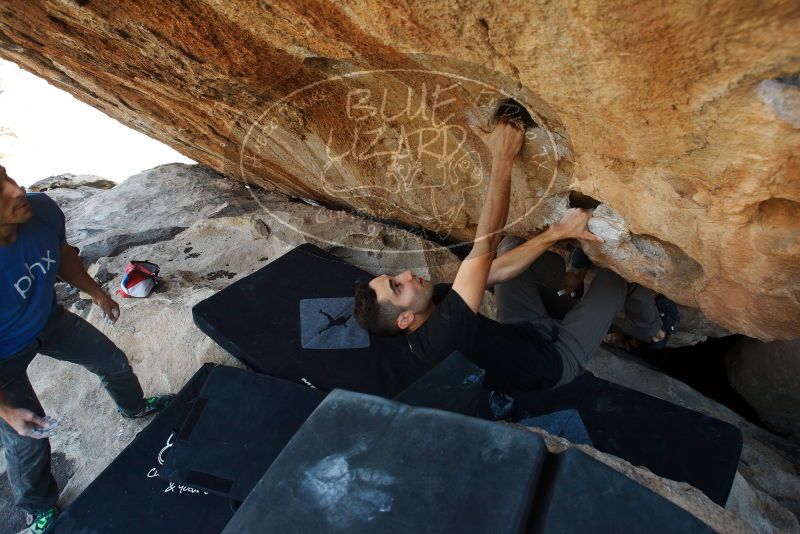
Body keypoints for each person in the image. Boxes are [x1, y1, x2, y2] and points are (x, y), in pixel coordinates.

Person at [354, 118, 675, 396]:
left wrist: (557, 233)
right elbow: (483, 246)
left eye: (395, 278)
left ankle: (571, 279)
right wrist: (503, 157)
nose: (407, 276)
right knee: (615, 275)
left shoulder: (429, 304)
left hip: (523, 331)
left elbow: (491, 271)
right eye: (398, 286)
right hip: (553, 361)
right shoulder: (442, 336)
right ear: (405, 320)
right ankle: (654, 331)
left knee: (508, 246)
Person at [0, 165, 174, 534]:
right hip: (3, 357)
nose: (15, 191)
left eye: (6, 176)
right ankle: (38, 509)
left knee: (113, 362)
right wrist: (7, 411)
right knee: (27, 439)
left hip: (47, 319)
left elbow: (62, 255)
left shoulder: (41, 209)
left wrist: (96, 292)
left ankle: (133, 407)